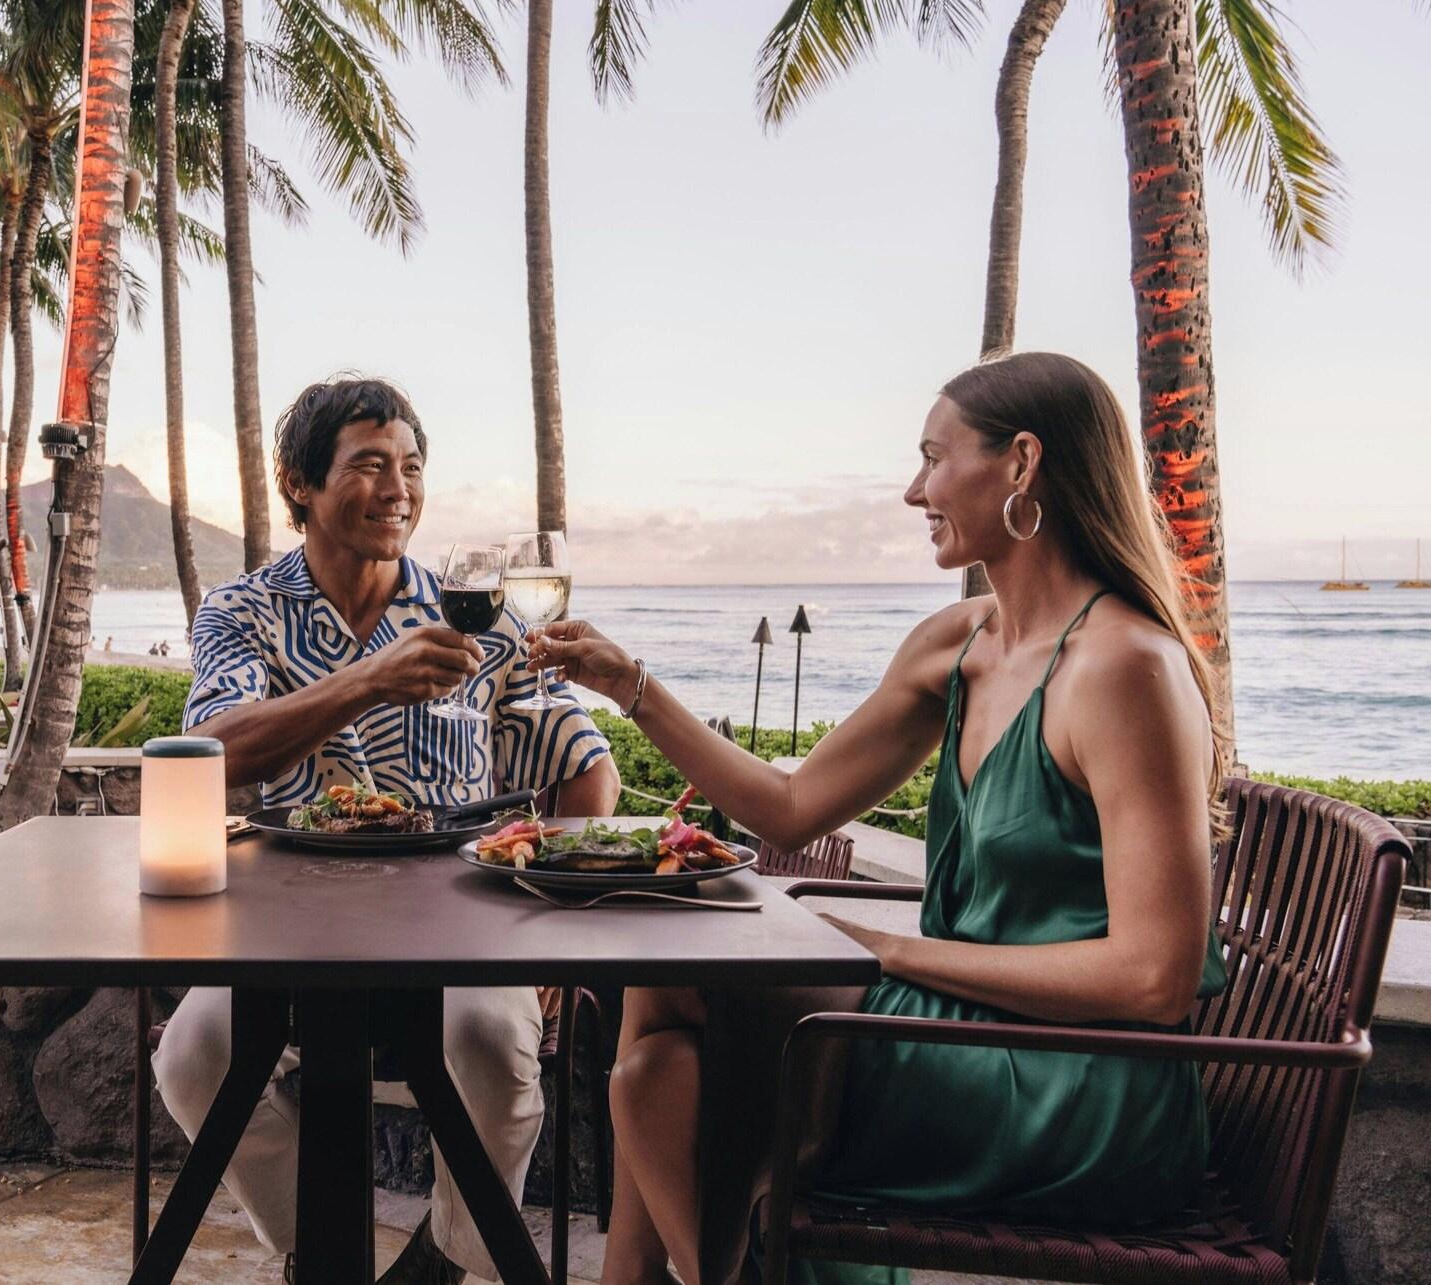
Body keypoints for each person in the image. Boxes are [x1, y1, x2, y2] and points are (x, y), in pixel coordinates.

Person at [530, 354, 1231, 1285]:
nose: (913, 490)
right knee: (658, 1048)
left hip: (1079, 1079)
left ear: (1022, 464)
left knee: (679, 1026)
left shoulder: (1122, 668)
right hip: (959, 1027)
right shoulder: (961, 643)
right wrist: (631, 688)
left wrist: (885, 950)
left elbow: (1155, 979)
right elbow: (788, 805)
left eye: (934, 457)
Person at [157, 377, 622, 1285]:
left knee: (493, 1047)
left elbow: (586, 767)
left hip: (463, 933)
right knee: (192, 1055)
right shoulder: (242, 612)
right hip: (280, 932)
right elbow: (209, 748)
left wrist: (557, 917)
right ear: (299, 483)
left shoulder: (475, 613)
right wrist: (367, 681)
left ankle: (443, 1263)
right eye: (368, 464)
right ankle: (316, 1253)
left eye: (410, 466)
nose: (397, 488)